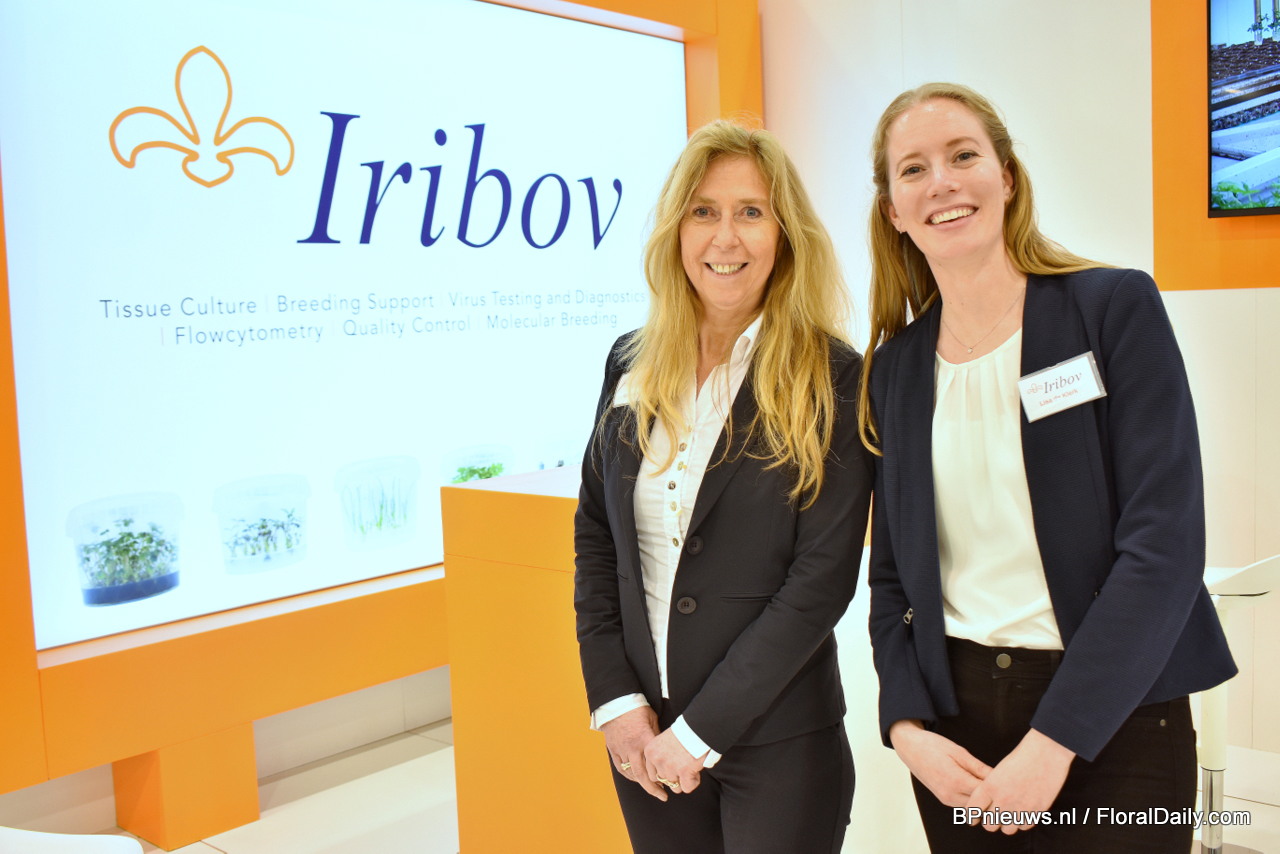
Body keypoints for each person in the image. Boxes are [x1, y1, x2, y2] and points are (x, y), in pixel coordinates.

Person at [859, 81, 1238, 852]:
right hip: (954, 731)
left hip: (1116, 716)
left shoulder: (1111, 309)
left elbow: (1163, 548)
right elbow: (893, 576)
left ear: (1005, 176)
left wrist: (1055, 741)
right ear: (893, 210)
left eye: (963, 156)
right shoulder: (894, 370)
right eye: (914, 169)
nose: (942, 182)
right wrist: (905, 727)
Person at [574, 119, 873, 853]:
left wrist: (699, 731)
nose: (725, 237)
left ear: (786, 234)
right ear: (676, 230)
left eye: (751, 212)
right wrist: (616, 701)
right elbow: (596, 538)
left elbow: (821, 579)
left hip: (779, 741)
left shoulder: (834, 375)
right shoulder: (629, 362)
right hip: (644, 734)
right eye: (703, 211)